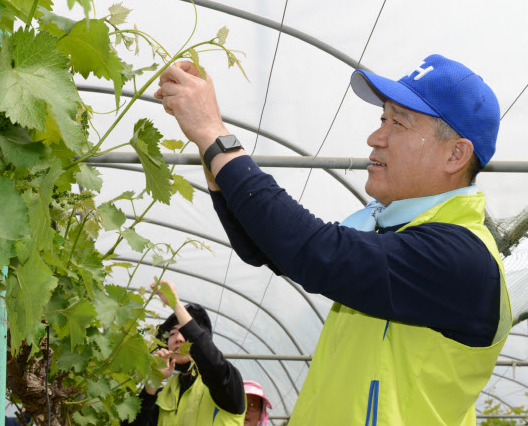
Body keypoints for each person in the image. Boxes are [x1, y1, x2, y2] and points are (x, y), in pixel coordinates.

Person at [154, 54, 511, 425]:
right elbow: (265, 246)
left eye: (399, 124)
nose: (375, 138)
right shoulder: (391, 234)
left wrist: (214, 133)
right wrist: (205, 142)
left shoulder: (463, 258)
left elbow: (312, 250)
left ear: (456, 154)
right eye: (382, 119)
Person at [126, 280, 246, 425]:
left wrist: (176, 305)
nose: (178, 339)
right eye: (172, 334)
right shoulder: (164, 394)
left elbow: (212, 362)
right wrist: (152, 383)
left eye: (185, 332)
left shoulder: (226, 384)